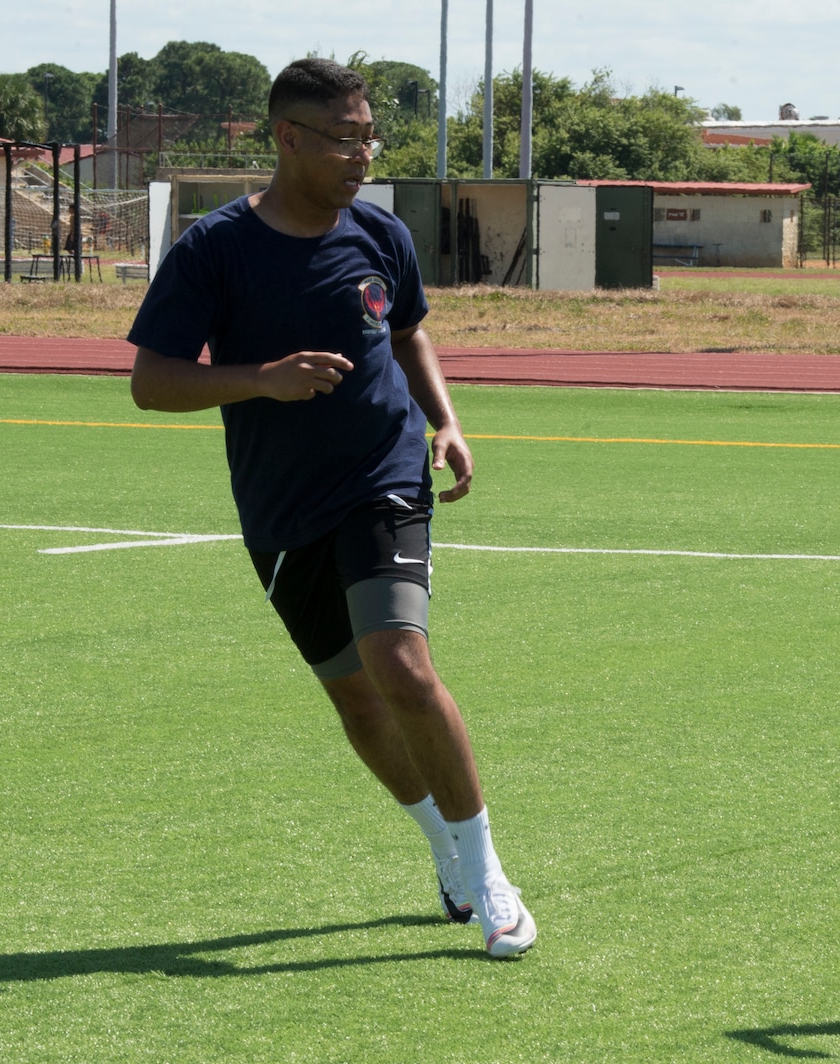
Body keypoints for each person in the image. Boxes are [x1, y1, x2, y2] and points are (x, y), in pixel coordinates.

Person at [125, 58, 535, 958]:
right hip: (280, 509)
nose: (361, 155)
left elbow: (407, 329)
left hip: (384, 477)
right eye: (344, 140)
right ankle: (446, 854)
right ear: (287, 138)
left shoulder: (382, 234)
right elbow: (151, 383)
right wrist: (261, 381)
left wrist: (447, 423)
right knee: (355, 699)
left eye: (368, 138)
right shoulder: (215, 248)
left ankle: (491, 874)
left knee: (401, 661)